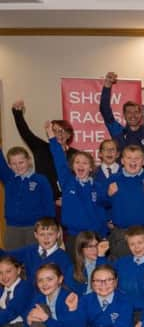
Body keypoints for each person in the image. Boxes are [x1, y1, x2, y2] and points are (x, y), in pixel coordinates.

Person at [47, 122, 108, 256]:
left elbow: (103, 212)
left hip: (93, 236)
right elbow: (59, 160)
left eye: (85, 163)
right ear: (72, 166)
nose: (81, 165)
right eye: (77, 162)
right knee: (74, 271)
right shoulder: (68, 182)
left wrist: (103, 236)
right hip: (74, 236)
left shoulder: (98, 188)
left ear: (91, 168)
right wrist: (52, 138)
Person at [11, 99, 78, 200]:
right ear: (49, 133)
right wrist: (17, 113)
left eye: (62, 131)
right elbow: (25, 133)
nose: (59, 134)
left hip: (69, 201)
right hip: (43, 200)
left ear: (69, 135)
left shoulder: (76, 154)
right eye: (54, 131)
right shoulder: (40, 148)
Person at [105, 145, 144, 259]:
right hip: (122, 234)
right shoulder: (113, 179)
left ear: (143, 162)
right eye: (129, 157)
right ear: (122, 161)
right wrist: (108, 195)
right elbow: (103, 203)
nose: (133, 161)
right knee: (122, 269)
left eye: (137, 158)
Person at [0, 145, 55, 250]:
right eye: (13, 164)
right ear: (9, 165)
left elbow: (48, 204)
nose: (18, 166)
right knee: (13, 260)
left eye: (21, 162)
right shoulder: (9, 178)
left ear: (29, 160)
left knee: (34, 261)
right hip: (13, 228)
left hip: (35, 228)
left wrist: (48, 228)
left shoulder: (40, 180)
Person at [99, 72, 144, 168]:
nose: (133, 115)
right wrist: (107, 86)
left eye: (136, 112)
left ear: (141, 114)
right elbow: (105, 110)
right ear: (124, 115)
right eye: (129, 112)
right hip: (120, 179)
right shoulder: (117, 132)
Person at [10, 217, 72, 282]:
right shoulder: (29, 250)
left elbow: (68, 282)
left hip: (52, 291)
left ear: (58, 234)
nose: (46, 238)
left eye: (50, 234)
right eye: (42, 234)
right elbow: (7, 255)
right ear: (36, 235)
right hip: (30, 291)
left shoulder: (63, 257)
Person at [0, 255, 34, 327]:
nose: (4, 276)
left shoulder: (25, 287)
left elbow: (11, 311)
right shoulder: (2, 289)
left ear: (18, 270)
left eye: (8, 271)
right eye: (0, 273)